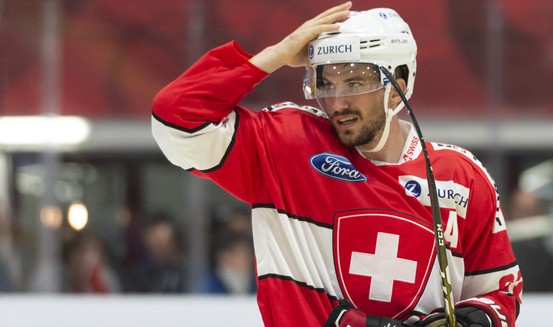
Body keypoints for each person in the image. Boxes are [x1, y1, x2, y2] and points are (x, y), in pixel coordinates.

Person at [152, 2, 522, 326]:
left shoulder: (460, 178)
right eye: (326, 83)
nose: (337, 102)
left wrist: (481, 319)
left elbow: (501, 293)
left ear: (398, 85)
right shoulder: (286, 144)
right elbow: (175, 119)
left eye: (354, 83)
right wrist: (275, 55)